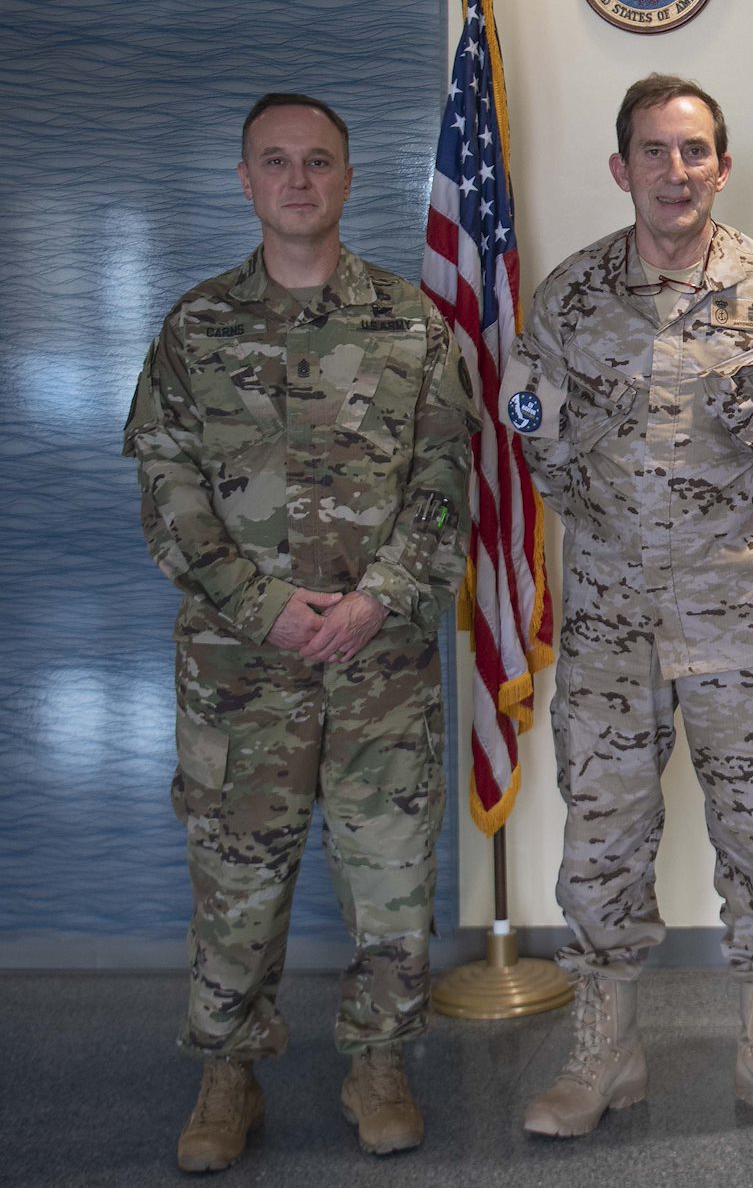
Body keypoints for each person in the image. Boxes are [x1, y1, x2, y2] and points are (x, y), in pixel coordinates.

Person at [126, 93, 475, 1171]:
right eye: (275, 162)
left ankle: (379, 1060)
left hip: (381, 660)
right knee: (237, 883)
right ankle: (227, 1070)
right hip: (242, 668)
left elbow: (444, 478)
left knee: (391, 880)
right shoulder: (194, 327)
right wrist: (260, 602)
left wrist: (376, 596)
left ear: (348, 178)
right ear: (245, 181)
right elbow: (169, 488)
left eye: (318, 161)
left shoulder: (412, 324)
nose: (297, 180)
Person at [504, 74, 753, 1138]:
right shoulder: (569, 297)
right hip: (610, 623)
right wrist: (626, 540)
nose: (674, 170)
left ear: (723, 165)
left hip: (738, 621)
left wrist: (736, 545)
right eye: (652, 151)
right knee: (601, 836)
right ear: (621, 168)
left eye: (693, 150)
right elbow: (540, 442)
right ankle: (604, 1050)